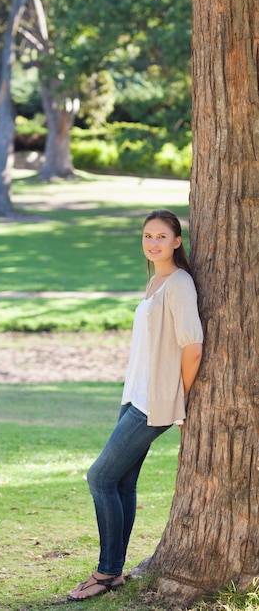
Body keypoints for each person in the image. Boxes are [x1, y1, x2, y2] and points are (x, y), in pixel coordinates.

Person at [67, 209, 203, 601]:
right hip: (135, 396)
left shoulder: (179, 284)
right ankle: (115, 571)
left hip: (154, 403)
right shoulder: (155, 281)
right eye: (147, 236)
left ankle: (106, 572)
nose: (153, 243)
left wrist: (181, 398)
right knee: (122, 483)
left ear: (177, 241)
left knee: (100, 478)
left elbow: (192, 347)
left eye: (161, 236)